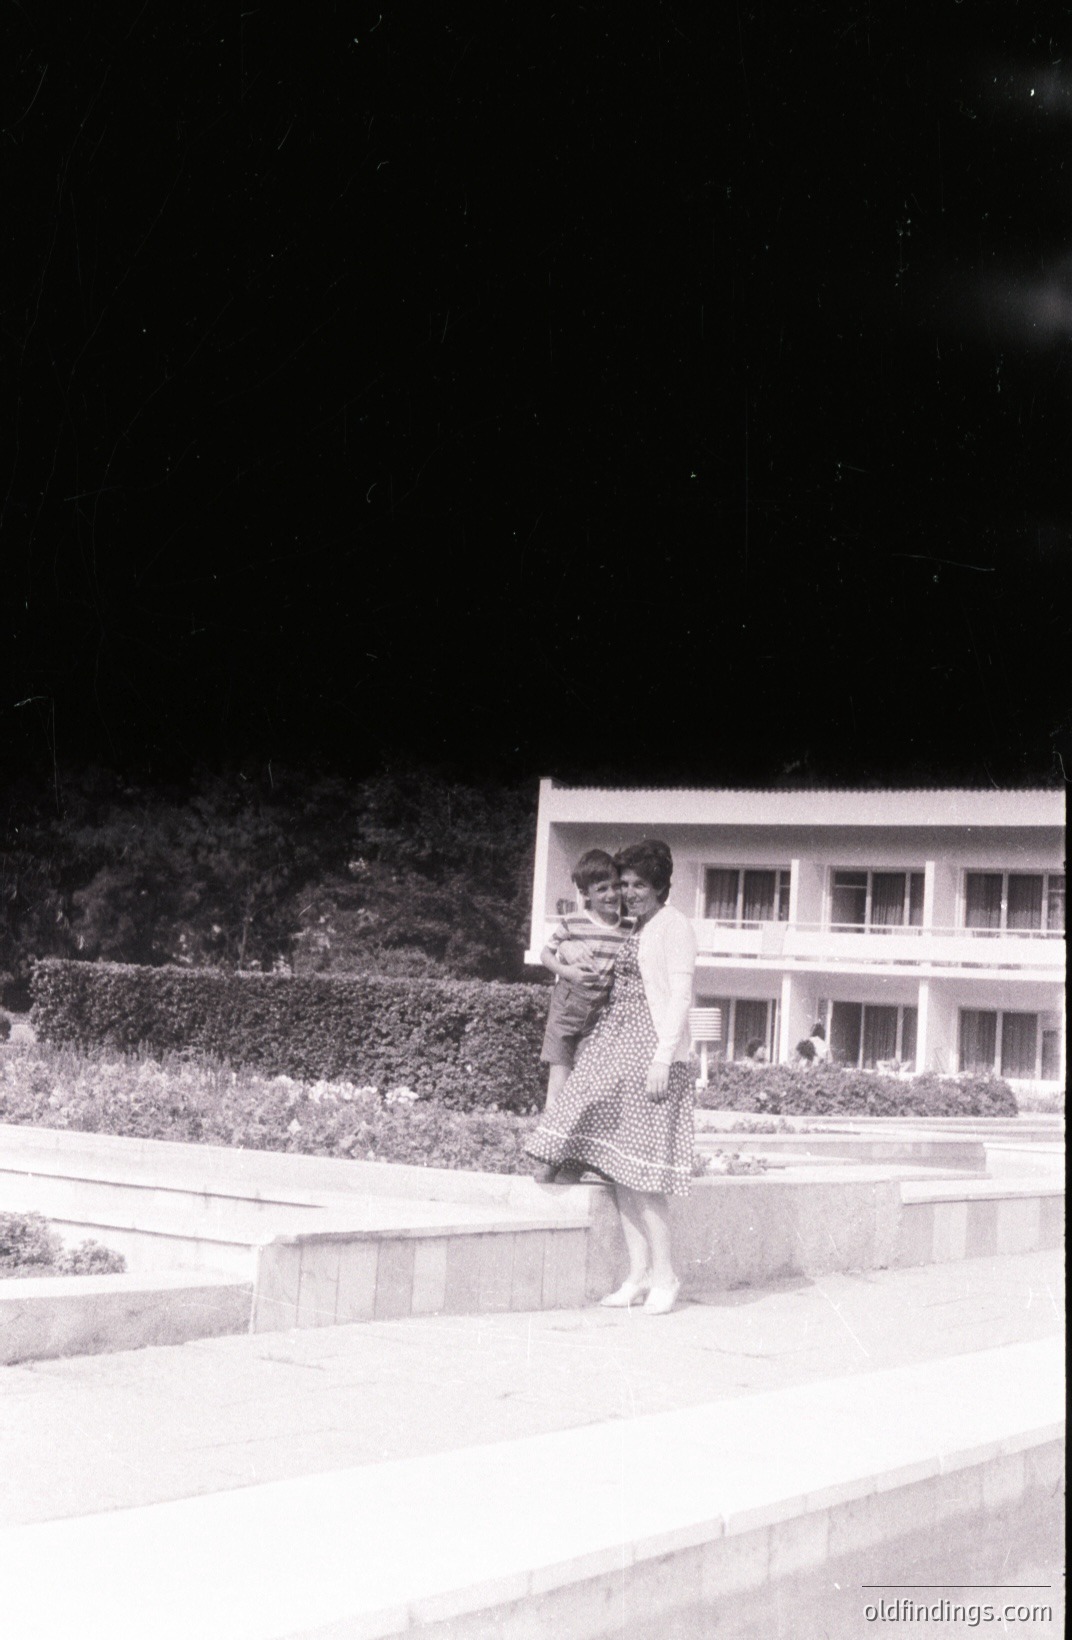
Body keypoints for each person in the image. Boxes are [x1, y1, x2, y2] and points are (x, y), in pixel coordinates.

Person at [527, 838, 697, 1315]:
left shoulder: (673, 926)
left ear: (661, 885)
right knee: (619, 1169)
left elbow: (679, 997)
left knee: (642, 1173)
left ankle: (666, 1276)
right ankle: (638, 1275)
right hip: (615, 1046)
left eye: (640, 885)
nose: (630, 893)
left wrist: (663, 1058)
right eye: (624, 885)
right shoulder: (633, 927)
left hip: (651, 1054)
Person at [534, 849, 635, 1181]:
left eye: (615, 886)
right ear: (587, 894)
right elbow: (545, 953)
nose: (611, 895)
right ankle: (546, 1156)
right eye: (601, 889)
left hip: (598, 1017)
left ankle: (573, 1161)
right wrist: (568, 971)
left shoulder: (629, 928)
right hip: (567, 1004)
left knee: (585, 1089)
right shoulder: (575, 922)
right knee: (558, 1087)